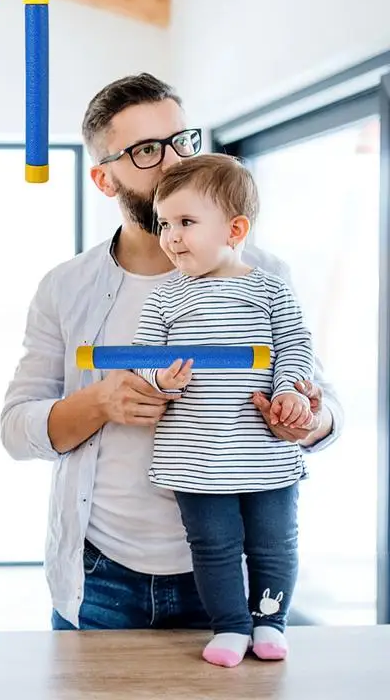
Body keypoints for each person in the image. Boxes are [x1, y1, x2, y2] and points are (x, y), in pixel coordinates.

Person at [0, 73, 343, 634]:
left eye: (183, 140)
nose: (175, 162)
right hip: (100, 579)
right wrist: (100, 403)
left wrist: (305, 416)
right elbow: (15, 429)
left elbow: (326, 410)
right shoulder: (65, 288)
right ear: (104, 179)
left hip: (233, 575)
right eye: (145, 151)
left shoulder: (265, 275)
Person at [130, 153, 312, 667]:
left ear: (234, 229)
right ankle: (231, 626)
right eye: (164, 224)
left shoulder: (270, 288)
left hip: (265, 452)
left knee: (274, 545)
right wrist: (160, 379)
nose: (171, 236)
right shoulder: (165, 299)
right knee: (213, 546)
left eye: (186, 223)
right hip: (194, 457)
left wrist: (292, 392)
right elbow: (145, 359)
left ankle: (270, 622)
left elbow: (295, 346)